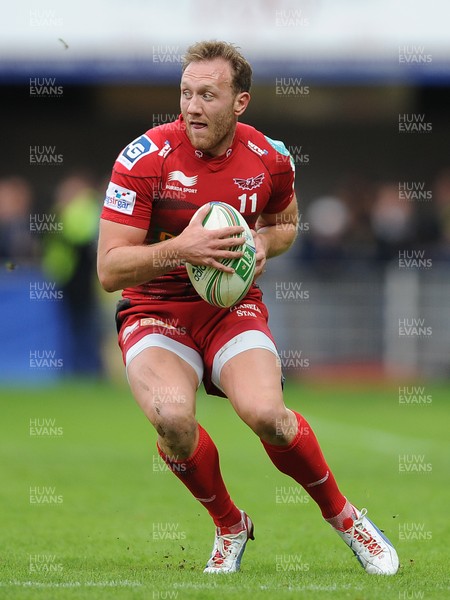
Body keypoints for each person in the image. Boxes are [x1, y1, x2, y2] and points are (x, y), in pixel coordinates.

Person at [97, 41, 399, 575]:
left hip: (229, 311)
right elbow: (109, 269)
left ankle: (346, 518)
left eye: (208, 95)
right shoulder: (143, 159)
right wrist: (179, 249)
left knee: (268, 417)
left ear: (240, 102)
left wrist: (261, 246)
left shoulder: (269, 158)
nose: (192, 106)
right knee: (171, 418)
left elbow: (283, 225)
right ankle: (229, 524)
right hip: (156, 311)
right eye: (186, 93)